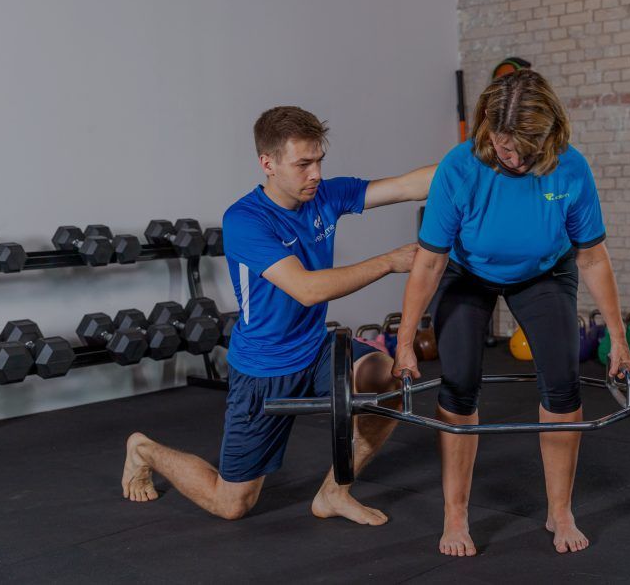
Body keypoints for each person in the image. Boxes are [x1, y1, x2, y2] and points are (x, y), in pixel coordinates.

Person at [122, 106, 435, 524]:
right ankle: (143, 449)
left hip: (316, 348)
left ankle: (334, 493)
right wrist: (389, 261)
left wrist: (482, 158)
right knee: (232, 504)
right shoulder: (245, 220)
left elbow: (408, 185)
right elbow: (307, 289)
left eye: (319, 160)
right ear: (268, 163)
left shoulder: (326, 196)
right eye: (303, 164)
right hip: (264, 368)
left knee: (385, 380)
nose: (316, 173)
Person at [392, 70, 630, 556]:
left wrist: (619, 338)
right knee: (459, 382)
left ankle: (560, 511)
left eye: (529, 150)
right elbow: (431, 261)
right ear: (489, 127)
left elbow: (591, 257)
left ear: (550, 132)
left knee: (563, 382)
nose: (518, 160)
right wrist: (403, 341)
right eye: (507, 149)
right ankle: (456, 514)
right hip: (467, 273)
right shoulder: (458, 168)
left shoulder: (570, 167)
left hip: (543, 274)